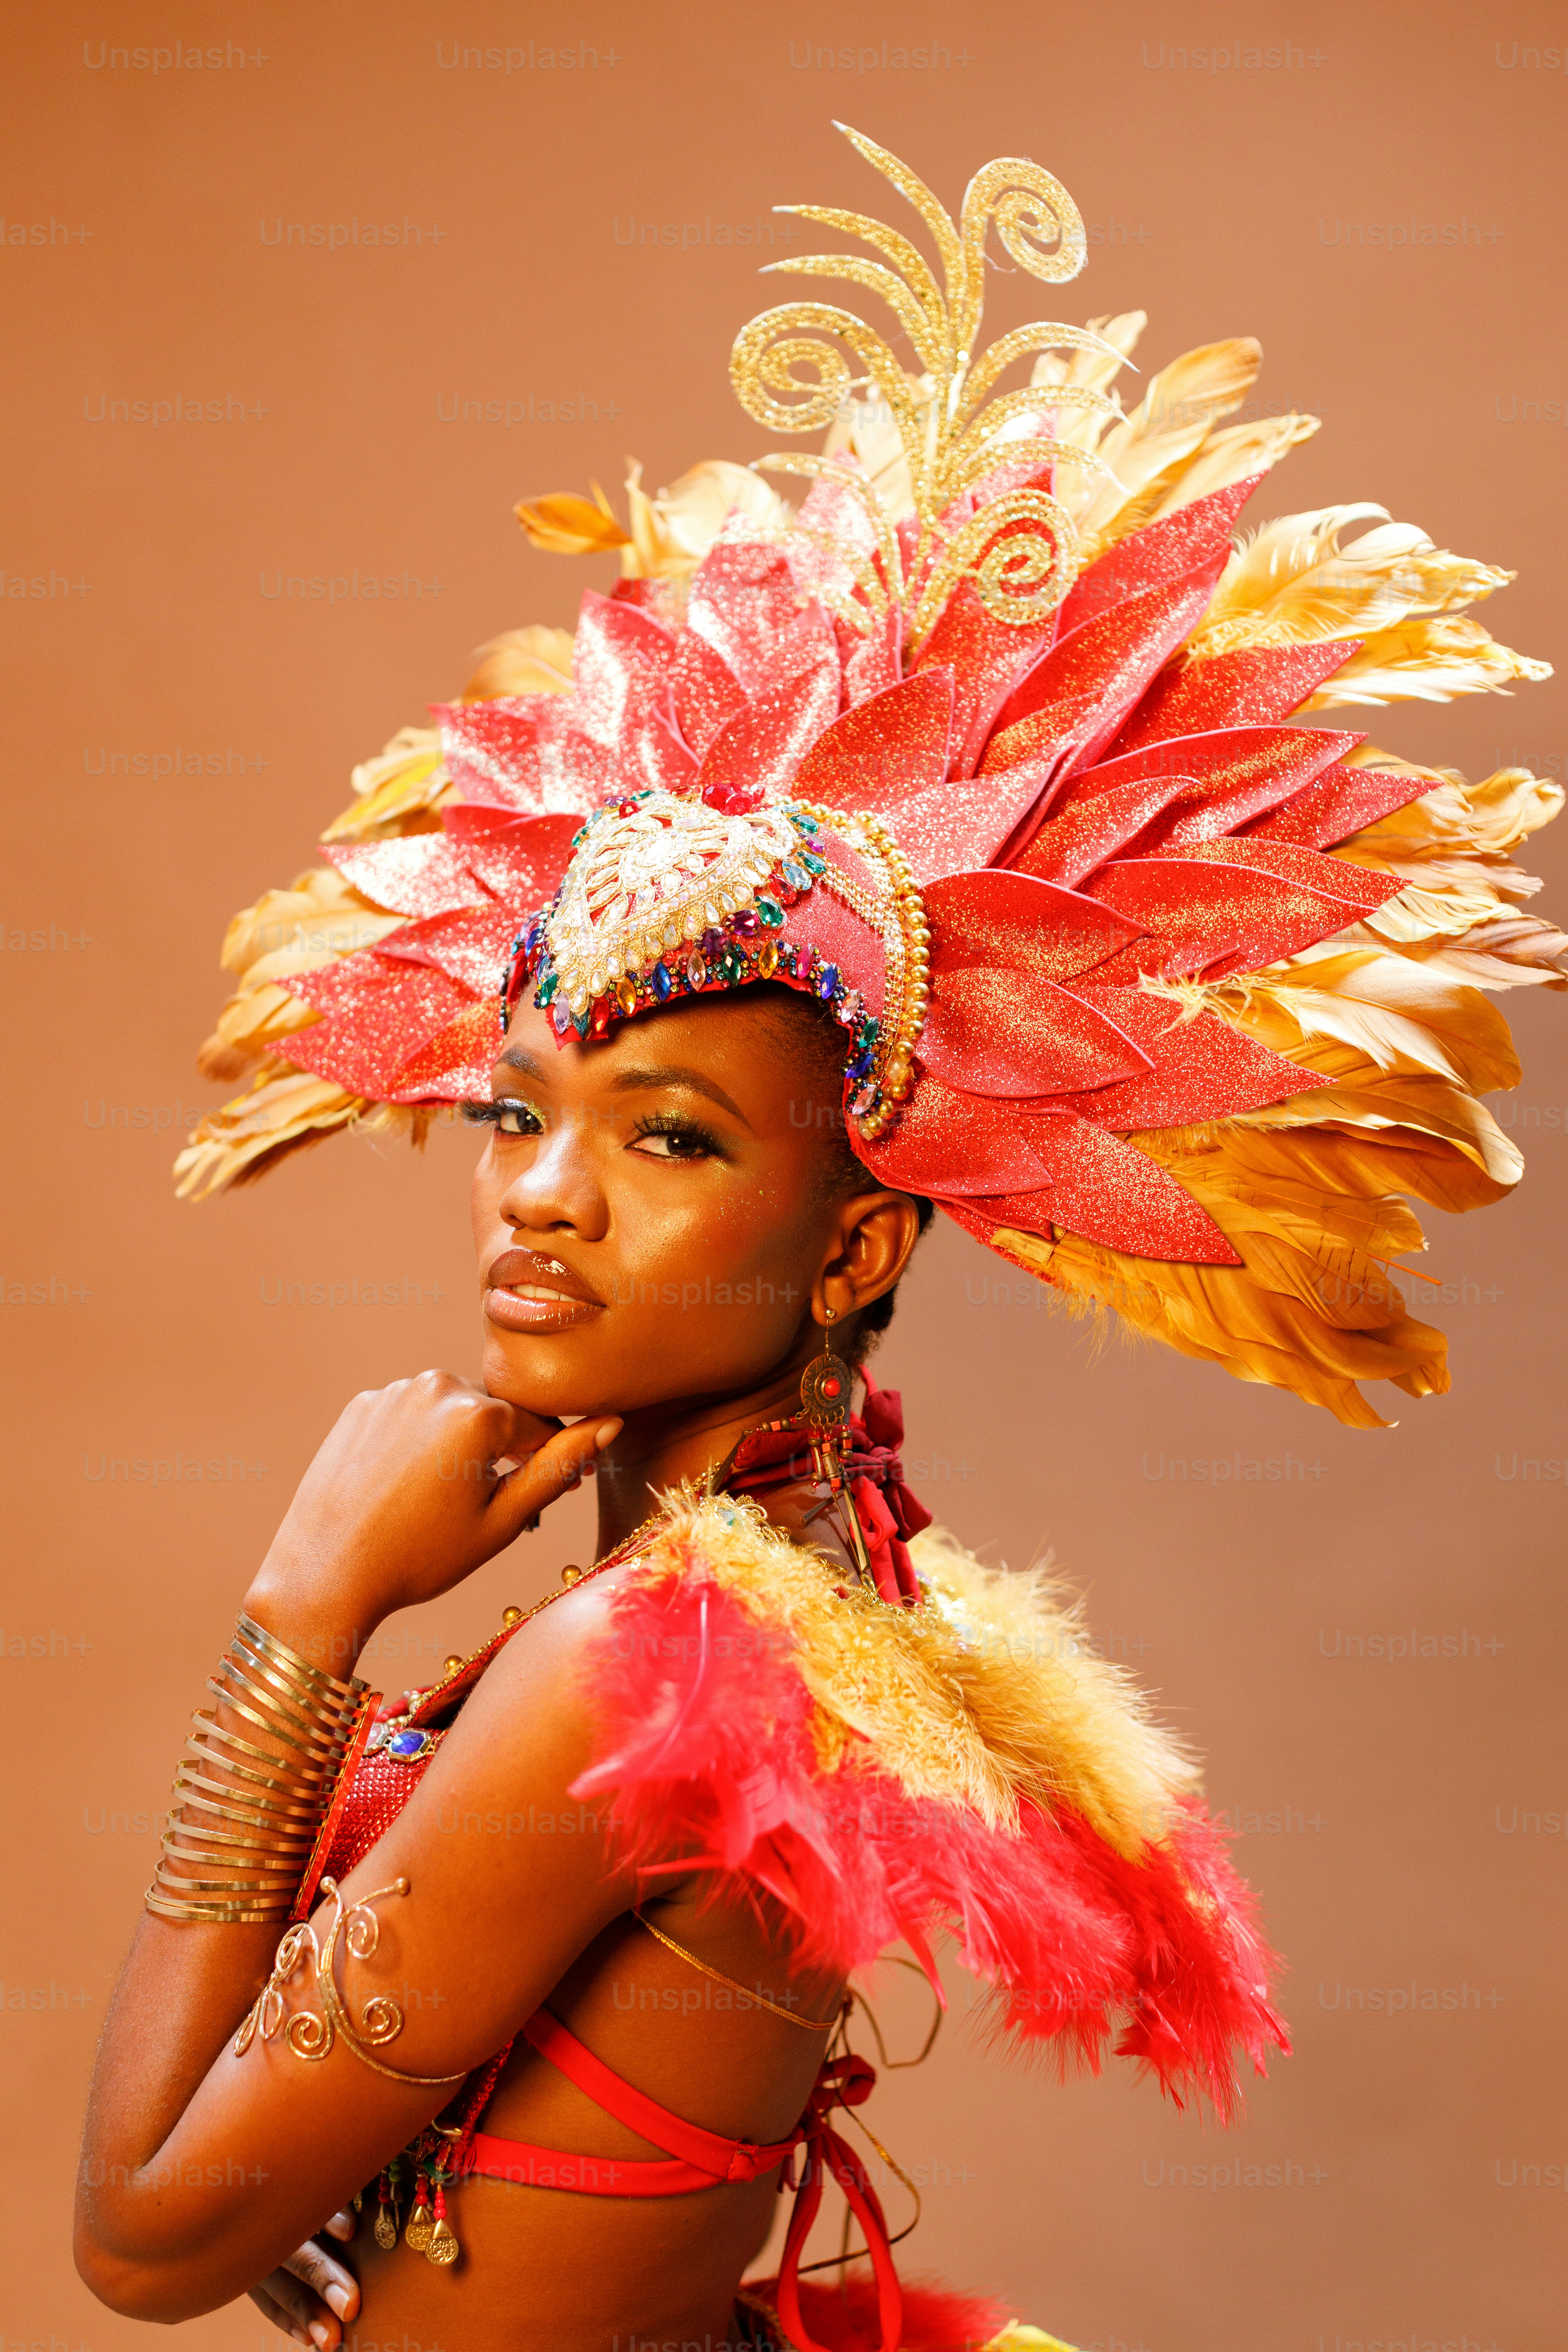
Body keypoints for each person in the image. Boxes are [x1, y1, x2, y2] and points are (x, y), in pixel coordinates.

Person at [75, 128, 1559, 2352]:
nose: (539, 1192)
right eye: (516, 1109)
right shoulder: (830, 1604)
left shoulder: (627, 1666)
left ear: (858, 1245)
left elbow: (149, 2240)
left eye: (667, 1135)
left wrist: (303, 1613)